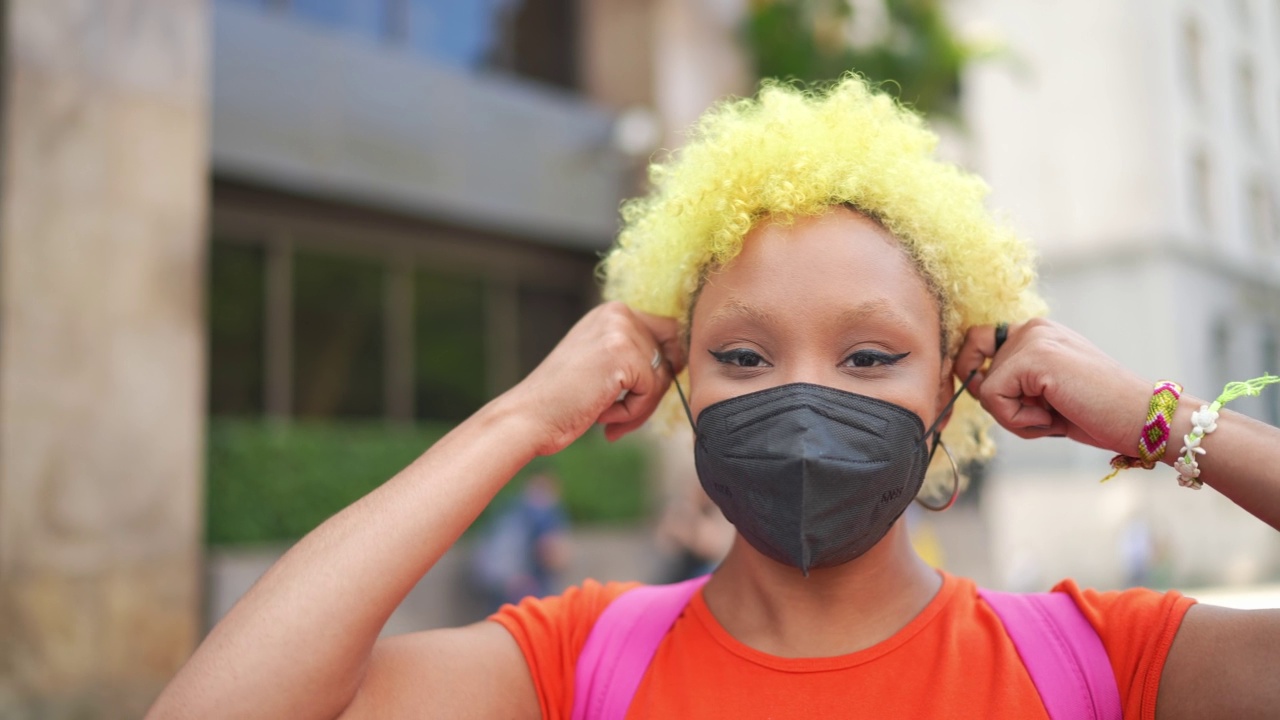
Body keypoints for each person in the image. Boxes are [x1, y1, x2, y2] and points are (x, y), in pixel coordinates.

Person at [149, 76, 1280, 719]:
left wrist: (1155, 417)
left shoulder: (1092, 662)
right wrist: (519, 420)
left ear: (956, 384)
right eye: (740, 357)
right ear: (678, 380)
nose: (799, 398)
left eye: (868, 356)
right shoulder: (574, 663)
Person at [470, 470, 570, 612]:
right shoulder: (546, 514)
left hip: (498, 589)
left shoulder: (507, 508)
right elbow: (553, 555)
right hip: (529, 593)